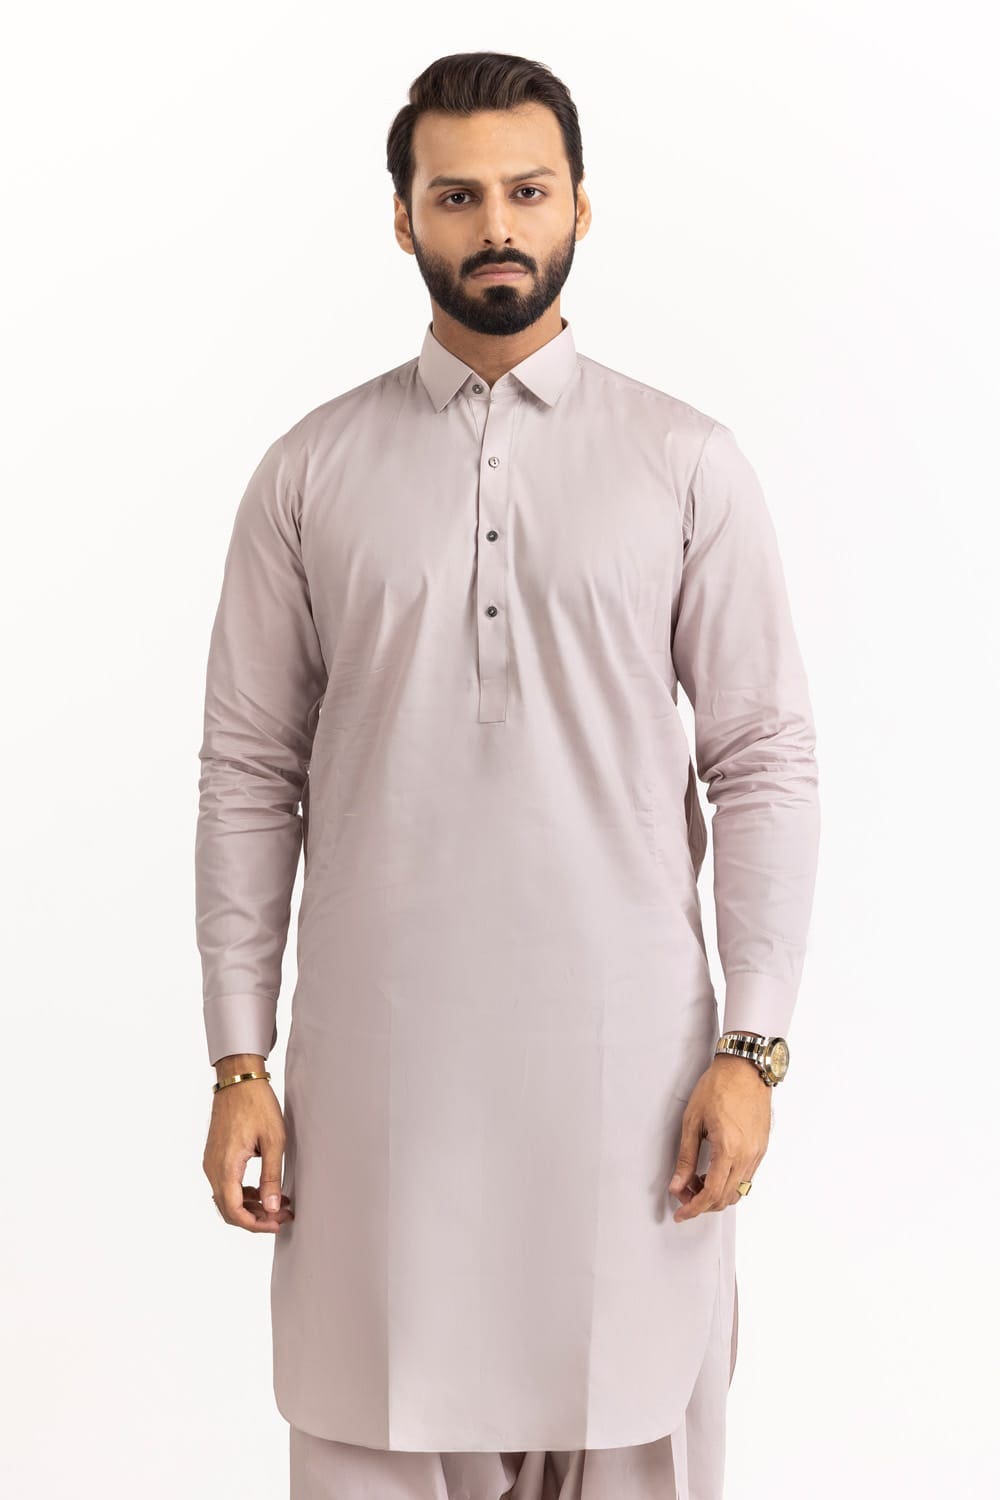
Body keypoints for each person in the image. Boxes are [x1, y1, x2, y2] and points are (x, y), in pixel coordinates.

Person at [196, 49, 821, 1500]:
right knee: (371, 1418)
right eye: (458, 194)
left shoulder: (684, 462)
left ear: (581, 207)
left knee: (637, 1416)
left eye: (528, 192)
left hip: (632, 1085)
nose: (496, 225)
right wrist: (238, 1059)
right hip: (379, 1085)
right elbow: (247, 772)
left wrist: (754, 1047)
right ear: (402, 216)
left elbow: (763, 761)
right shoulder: (309, 472)